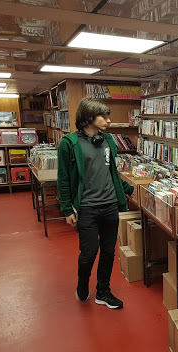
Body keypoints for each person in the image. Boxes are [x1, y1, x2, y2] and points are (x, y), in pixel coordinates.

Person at [57, 98, 134, 309]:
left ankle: (103, 291)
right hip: (87, 207)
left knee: (109, 251)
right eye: (104, 116)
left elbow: (113, 173)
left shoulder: (108, 140)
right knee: (89, 251)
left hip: (110, 205)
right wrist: (67, 208)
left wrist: (129, 191)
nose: (109, 120)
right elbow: (63, 179)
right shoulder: (69, 143)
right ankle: (83, 283)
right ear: (89, 117)